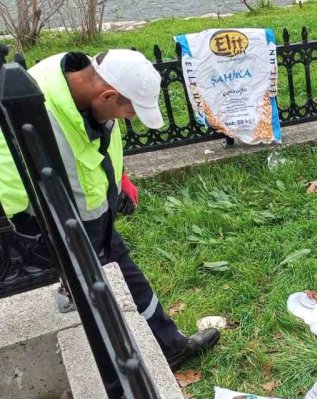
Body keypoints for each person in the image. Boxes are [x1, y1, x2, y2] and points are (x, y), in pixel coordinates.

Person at [0, 49, 219, 370]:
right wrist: (35, 240)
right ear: (107, 96)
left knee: (128, 278)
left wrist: (119, 181)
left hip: (94, 215)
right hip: (57, 230)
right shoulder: (34, 107)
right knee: (97, 297)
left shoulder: (88, 76)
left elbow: (98, 145)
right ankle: (120, 366)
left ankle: (170, 346)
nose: (128, 119)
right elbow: (9, 182)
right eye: (127, 111)